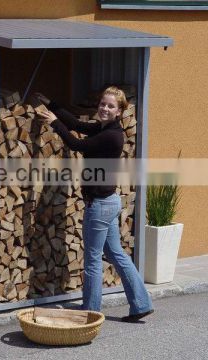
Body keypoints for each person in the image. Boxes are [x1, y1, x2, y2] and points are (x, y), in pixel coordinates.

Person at [35, 86, 154, 322]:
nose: (105, 108)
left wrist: (54, 123)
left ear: (119, 111)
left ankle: (90, 310)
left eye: (111, 106)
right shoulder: (104, 128)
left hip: (100, 205)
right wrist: (53, 104)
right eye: (103, 104)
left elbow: (77, 144)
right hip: (108, 202)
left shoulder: (111, 136)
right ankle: (141, 304)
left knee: (92, 259)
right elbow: (79, 126)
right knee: (117, 254)